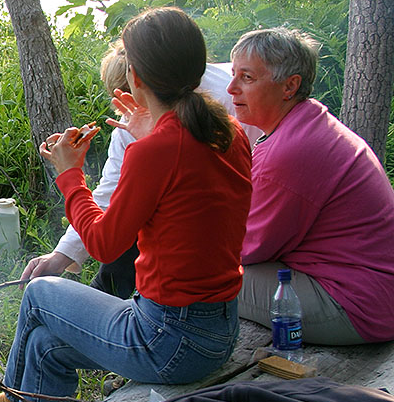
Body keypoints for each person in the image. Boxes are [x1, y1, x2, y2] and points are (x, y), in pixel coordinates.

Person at [0, 7, 253, 402]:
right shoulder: (227, 130)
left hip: (167, 338)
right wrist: (150, 132)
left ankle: (13, 399)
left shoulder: (157, 150)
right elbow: (191, 193)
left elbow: (104, 245)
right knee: (45, 348)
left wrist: (70, 176)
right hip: (218, 328)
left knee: (41, 292)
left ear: (134, 75)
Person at [20, 40, 260, 299]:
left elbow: (105, 243)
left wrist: (69, 174)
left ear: (142, 81)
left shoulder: (228, 102)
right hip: (209, 290)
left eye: (133, 92)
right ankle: (105, 295)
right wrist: (62, 254)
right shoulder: (139, 126)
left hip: (186, 296)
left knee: (39, 299)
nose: (132, 106)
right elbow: (109, 195)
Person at [229, 28, 394, 344]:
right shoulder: (306, 124)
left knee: (195, 273)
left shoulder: (292, 151)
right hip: (373, 291)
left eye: (246, 78)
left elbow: (246, 247)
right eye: (234, 75)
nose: (231, 88)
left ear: (290, 85)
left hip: (356, 304)